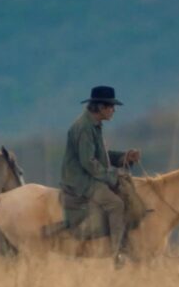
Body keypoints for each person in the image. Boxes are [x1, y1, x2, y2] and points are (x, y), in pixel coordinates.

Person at [60, 85, 142, 269]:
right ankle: (117, 253)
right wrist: (112, 177)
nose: (113, 110)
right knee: (116, 204)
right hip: (80, 180)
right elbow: (88, 163)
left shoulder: (94, 125)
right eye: (111, 106)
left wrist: (124, 158)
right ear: (101, 107)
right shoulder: (84, 128)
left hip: (90, 175)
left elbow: (101, 156)